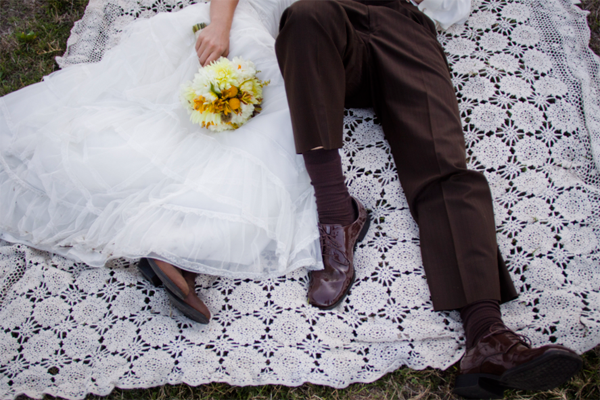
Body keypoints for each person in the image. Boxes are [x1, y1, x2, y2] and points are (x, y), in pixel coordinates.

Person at [273, 0, 583, 398]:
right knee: (304, 15)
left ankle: (486, 335)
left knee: (443, 164)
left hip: (404, 26)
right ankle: (337, 213)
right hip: (330, 28)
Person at [0, 0, 323, 325]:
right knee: (281, 139)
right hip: (232, 27)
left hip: (263, 36)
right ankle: (177, 244)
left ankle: (173, 244)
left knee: (219, 137)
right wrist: (220, 28)